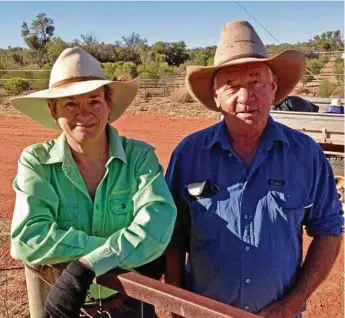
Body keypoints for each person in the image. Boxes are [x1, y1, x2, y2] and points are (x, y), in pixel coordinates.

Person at [164, 20, 343, 318]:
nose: (246, 98)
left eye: (255, 82)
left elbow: (328, 230)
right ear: (216, 97)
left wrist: (291, 304)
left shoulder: (305, 153)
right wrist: (179, 305)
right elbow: (173, 233)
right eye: (232, 86)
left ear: (273, 87)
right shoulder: (189, 154)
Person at [10, 47, 177, 318]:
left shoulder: (139, 157)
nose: (84, 113)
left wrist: (86, 265)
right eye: (70, 103)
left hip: (129, 302)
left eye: (94, 101)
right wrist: (116, 251)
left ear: (109, 106)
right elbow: (28, 238)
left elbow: (158, 224)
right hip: (67, 308)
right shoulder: (36, 162)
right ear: (53, 111)